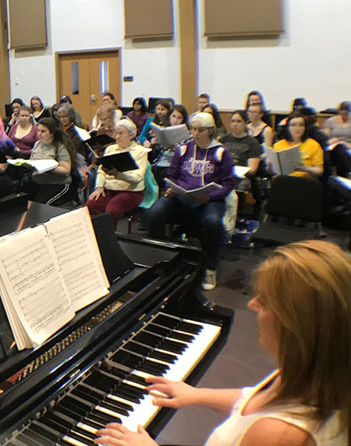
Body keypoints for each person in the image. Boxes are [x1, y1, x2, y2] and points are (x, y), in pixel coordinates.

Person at [96, 239, 351, 446]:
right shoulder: (315, 372)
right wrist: (197, 395)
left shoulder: (277, 435)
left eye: (262, 302)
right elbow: (254, 401)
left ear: (294, 324)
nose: (250, 305)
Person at [145, 112, 234, 291]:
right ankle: (160, 257)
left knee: (213, 221)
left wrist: (209, 197)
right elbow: (172, 175)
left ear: (210, 131)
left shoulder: (221, 152)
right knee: (154, 212)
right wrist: (172, 187)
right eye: (193, 129)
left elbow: (228, 184)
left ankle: (211, 267)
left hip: (210, 199)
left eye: (200, 130)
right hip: (182, 196)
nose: (196, 133)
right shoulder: (183, 149)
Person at [85, 119, 148, 222]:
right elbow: (101, 170)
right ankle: (95, 235)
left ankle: (106, 237)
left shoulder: (140, 151)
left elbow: (137, 178)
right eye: (116, 133)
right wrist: (99, 187)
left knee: (112, 210)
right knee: (90, 205)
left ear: (131, 135)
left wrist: (118, 174)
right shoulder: (110, 149)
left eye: (121, 133)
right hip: (109, 189)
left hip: (131, 192)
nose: (117, 136)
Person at [21, 117, 76, 204]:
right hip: (37, 181)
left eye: (43, 131)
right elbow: (33, 160)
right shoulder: (37, 144)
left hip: (56, 183)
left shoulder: (60, 147)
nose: (39, 134)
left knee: (40, 205)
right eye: (38, 130)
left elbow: (66, 170)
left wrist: (48, 167)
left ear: (52, 133)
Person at [221, 110, 263, 217]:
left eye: (239, 121)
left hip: (242, 177)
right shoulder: (224, 139)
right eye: (233, 121)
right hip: (224, 174)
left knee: (235, 185)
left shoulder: (252, 142)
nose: (235, 124)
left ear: (245, 123)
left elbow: (252, 169)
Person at [272, 110, 323, 178]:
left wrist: (305, 168)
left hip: (304, 180)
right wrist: (270, 166)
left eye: (301, 125)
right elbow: (273, 171)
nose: (297, 128)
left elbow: (319, 171)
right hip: (284, 180)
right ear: (288, 127)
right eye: (293, 125)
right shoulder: (278, 145)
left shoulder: (313, 145)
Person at [323, 101, 351, 177]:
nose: (343, 116)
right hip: (334, 146)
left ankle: (343, 176)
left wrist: (348, 145)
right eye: (341, 114)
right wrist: (330, 141)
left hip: (348, 147)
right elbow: (325, 138)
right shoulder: (330, 121)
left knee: (342, 150)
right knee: (339, 148)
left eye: (346, 114)